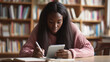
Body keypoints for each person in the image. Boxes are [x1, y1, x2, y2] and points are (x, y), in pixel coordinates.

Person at [19, 1, 94, 59]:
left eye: (59, 22)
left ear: (63, 20)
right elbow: (22, 52)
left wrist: (72, 53)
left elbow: (90, 49)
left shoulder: (71, 28)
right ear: (45, 20)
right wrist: (33, 54)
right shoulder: (39, 28)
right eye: (51, 22)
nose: (55, 26)